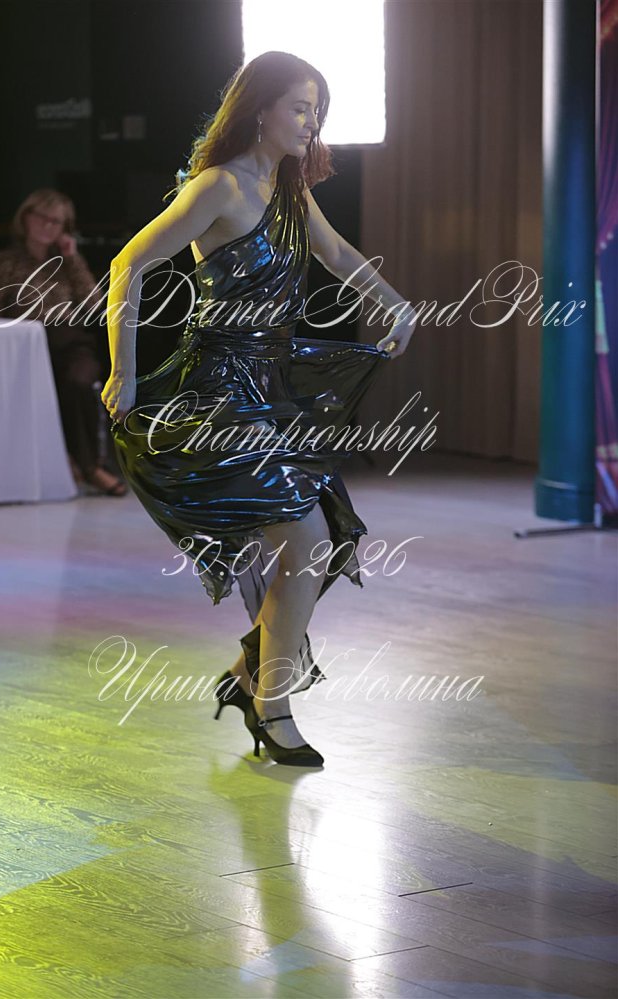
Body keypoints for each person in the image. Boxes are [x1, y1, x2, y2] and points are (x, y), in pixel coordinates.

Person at [103, 51, 417, 766]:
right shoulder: (218, 186)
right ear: (260, 110)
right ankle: (271, 705)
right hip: (219, 388)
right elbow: (129, 264)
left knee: (322, 539)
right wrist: (124, 370)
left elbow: (337, 254)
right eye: (300, 108)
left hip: (272, 386)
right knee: (308, 537)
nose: (311, 123)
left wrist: (397, 305)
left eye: (316, 111)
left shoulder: (289, 188)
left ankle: (251, 677)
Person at [0, 188, 127, 496]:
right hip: (24, 345)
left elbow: (94, 303)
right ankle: (70, 465)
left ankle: (90, 466)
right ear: (26, 218)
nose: (48, 226)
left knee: (79, 381)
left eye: (57, 222)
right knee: (34, 387)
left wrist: (72, 258)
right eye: (42, 218)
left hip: (70, 340)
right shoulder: (5, 262)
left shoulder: (66, 261)